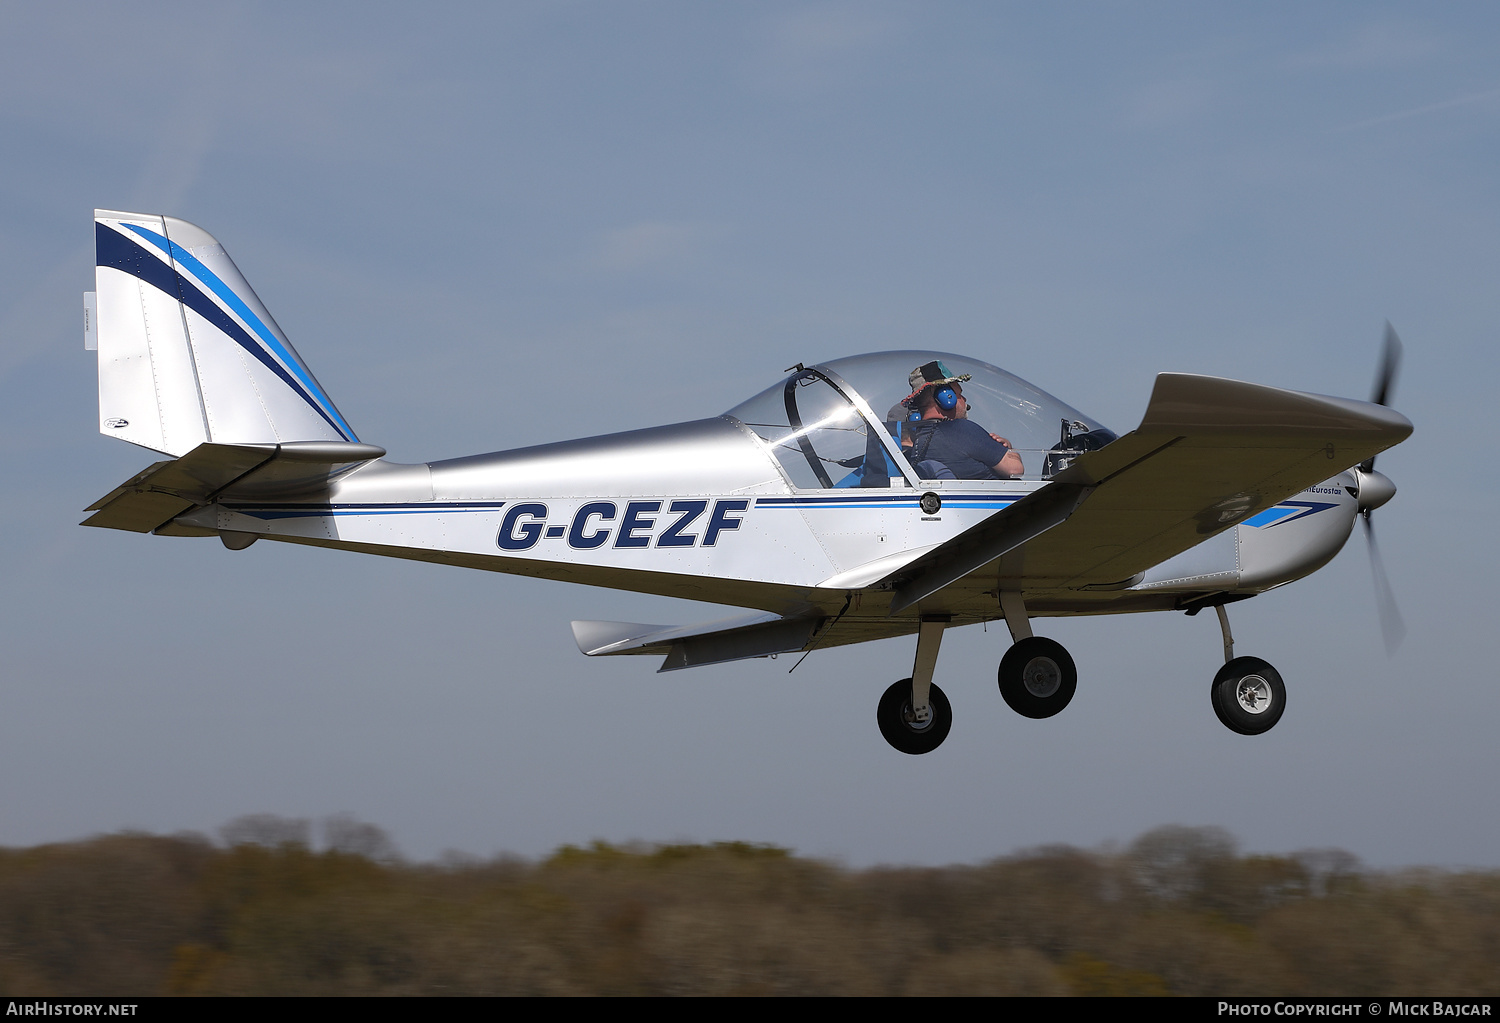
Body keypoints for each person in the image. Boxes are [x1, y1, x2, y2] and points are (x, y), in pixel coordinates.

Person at [900, 360, 1024, 480]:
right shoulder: (962, 430)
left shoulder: (919, 441)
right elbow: (1015, 469)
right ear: (946, 397)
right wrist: (1010, 449)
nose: (964, 400)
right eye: (959, 394)